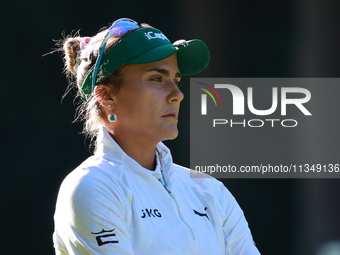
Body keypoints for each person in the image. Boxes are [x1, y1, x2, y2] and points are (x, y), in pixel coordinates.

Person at [53, 18, 261, 255]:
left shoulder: (210, 190)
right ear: (106, 96)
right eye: (156, 78)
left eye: (177, 80)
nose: (177, 94)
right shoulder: (91, 186)